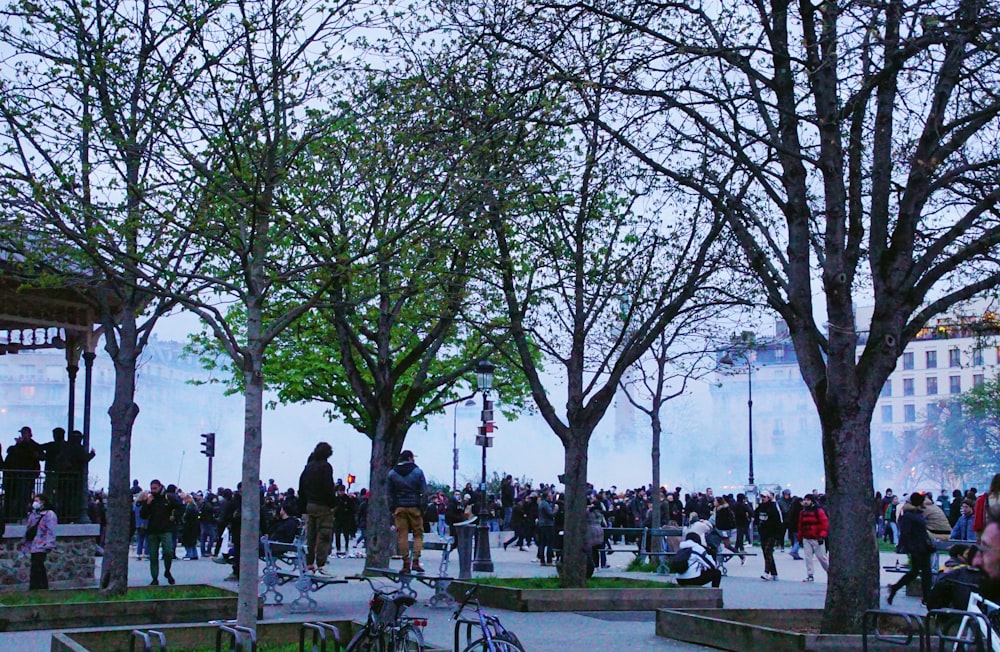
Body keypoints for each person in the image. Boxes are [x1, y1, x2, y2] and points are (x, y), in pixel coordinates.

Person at [888, 492, 935, 604]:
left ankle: (895, 588)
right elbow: (905, 533)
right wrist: (906, 547)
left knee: (916, 572)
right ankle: (926, 598)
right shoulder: (909, 515)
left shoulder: (917, 513)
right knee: (924, 573)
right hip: (918, 548)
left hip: (923, 547)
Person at [387, 449, 427, 574]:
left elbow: (389, 494)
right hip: (414, 506)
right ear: (410, 458)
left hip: (399, 507)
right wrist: (422, 507)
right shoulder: (418, 472)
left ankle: (406, 563)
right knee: (418, 534)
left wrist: (393, 509)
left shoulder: (392, 473)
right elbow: (424, 492)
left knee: (402, 535)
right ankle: (416, 560)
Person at [298, 442, 336, 573]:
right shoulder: (326, 467)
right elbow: (328, 487)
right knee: (324, 535)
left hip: (310, 505)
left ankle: (309, 562)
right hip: (323, 506)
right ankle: (321, 563)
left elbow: (301, 487)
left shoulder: (308, 467)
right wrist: (332, 503)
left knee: (311, 536)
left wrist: (303, 506)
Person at [139, 479, 180, 586]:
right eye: (152, 488)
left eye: (155, 488)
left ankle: (167, 571)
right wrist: (147, 504)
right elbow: (143, 515)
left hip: (166, 529)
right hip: (152, 530)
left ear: (160, 487)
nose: (153, 491)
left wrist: (175, 517)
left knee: (168, 551)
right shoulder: (150, 499)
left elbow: (180, 507)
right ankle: (154, 577)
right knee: (153, 555)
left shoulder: (168, 498)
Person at [22, 493, 58, 589]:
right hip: (34, 544)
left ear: (43, 502)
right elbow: (29, 527)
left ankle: (40, 586)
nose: (35, 503)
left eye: (37, 501)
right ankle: (37, 586)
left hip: (42, 545)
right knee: (36, 566)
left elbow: (51, 530)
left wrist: (49, 544)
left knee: (38, 566)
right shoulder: (34, 514)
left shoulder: (49, 515)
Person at [797, 494, 829, 582]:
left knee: (822, 558)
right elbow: (800, 526)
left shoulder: (818, 511)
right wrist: (799, 538)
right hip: (806, 538)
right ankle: (810, 575)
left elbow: (824, 524)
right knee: (808, 557)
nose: (806, 501)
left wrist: (822, 536)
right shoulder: (802, 512)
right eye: (805, 499)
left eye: (808, 500)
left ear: (812, 501)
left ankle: (829, 572)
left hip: (817, 538)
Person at [755, 490, 783, 581]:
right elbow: (756, 517)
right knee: (767, 553)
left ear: (768, 497)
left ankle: (766, 572)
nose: (762, 499)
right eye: (761, 497)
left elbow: (778, 521)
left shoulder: (773, 507)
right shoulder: (760, 507)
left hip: (772, 533)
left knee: (768, 551)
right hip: (763, 533)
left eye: (764, 497)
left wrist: (778, 535)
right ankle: (774, 573)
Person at [536, 488, 558, 567]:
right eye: (550, 495)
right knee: (550, 543)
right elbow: (551, 514)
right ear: (547, 496)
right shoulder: (545, 504)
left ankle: (542, 560)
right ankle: (549, 560)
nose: (551, 496)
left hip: (541, 525)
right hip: (548, 524)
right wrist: (556, 509)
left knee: (542, 543)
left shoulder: (541, 503)